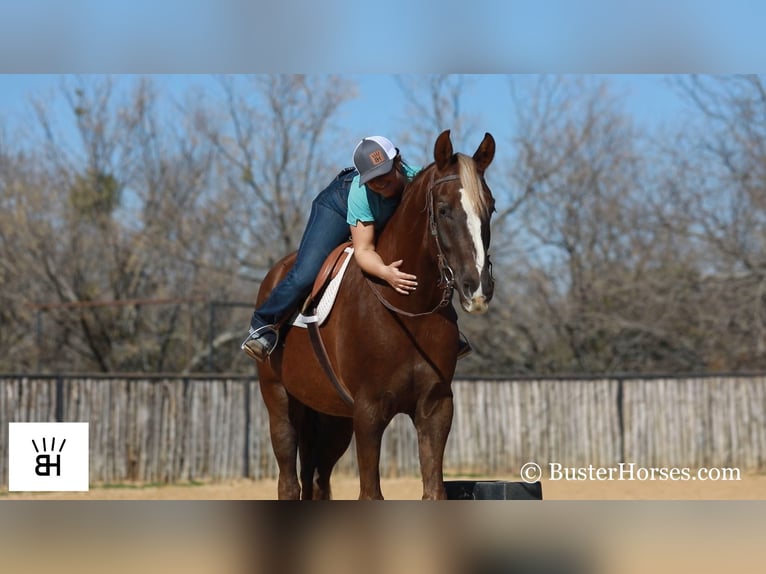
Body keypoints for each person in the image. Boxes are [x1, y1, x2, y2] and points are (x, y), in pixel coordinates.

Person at [241, 136, 421, 362]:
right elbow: (364, 250)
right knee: (306, 273)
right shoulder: (359, 193)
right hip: (337, 206)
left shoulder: (419, 181)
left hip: (381, 215)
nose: (380, 182)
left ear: (398, 162)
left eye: (384, 173)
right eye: (372, 179)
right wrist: (386, 273)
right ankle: (263, 324)